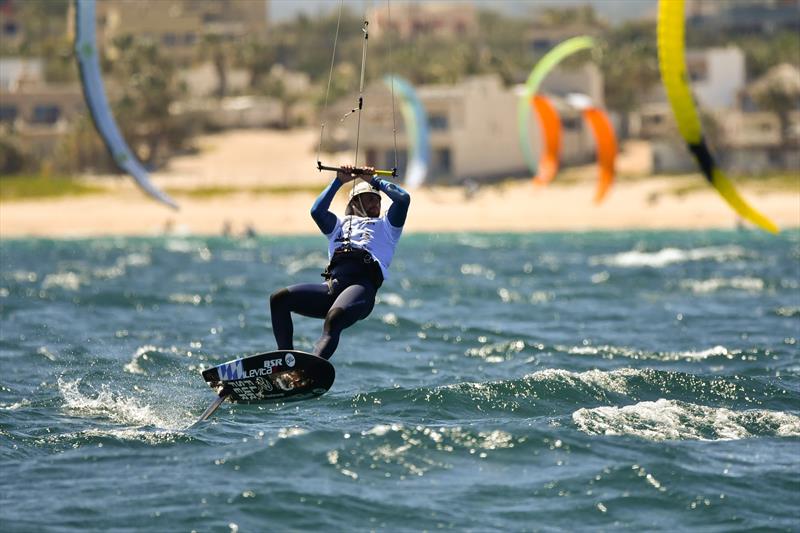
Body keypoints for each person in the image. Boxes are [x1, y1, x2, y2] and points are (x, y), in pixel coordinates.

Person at [269, 165, 411, 360]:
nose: (375, 204)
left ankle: (314, 367)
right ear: (355, 202)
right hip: (333, 287)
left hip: (362, 288)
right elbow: (317, 211)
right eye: (369, 199)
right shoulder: (338, 226)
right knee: (279, 299)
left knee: (334, 319)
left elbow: (403, 199)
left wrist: (374, 181)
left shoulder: (388, 226)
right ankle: (286, 362)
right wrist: (339, 181)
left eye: (377, 200)